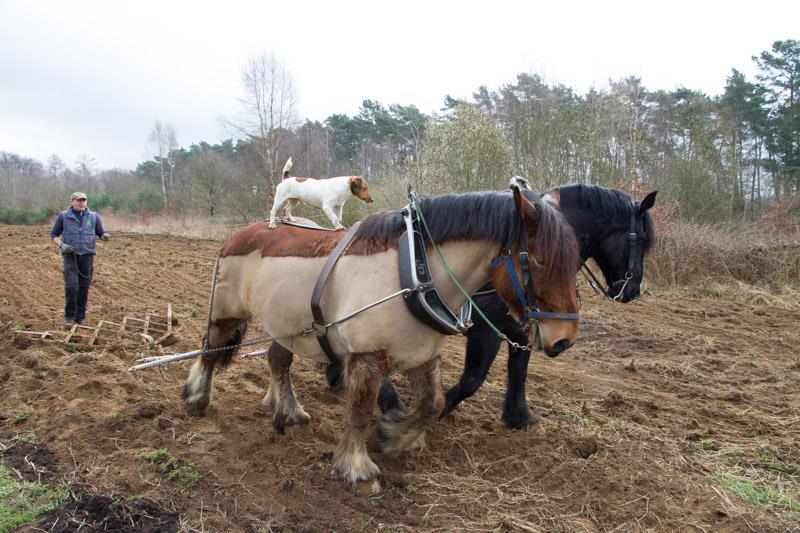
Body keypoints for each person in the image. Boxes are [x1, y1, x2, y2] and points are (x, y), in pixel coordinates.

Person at [50, 192, 110, 326]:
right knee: (72, 286)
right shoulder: (64, 216)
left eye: (84, 200)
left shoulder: (93, 217)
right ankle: (69, 316)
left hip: (87, 256)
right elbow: (54, 234)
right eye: (79, 201)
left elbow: (100, 232)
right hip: (71, 256)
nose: (82, 203)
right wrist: (61, 245)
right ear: (72, 201)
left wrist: (104, 235)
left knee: (84, 287)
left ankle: (81, 316)